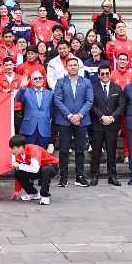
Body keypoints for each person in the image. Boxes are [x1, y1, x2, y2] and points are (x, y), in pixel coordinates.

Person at [53, 58, 93, 187]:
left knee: (80, 150)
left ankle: (79, 176)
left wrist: (79, 115)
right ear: (66, 67)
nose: (73, 67)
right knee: (64, 150)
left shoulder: (86, 82)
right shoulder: (60, 82)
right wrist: (70, 116)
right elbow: (57, 100)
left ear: (79, 67)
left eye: (75, 65)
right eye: (70, 65)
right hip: (65, 121)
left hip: (82, 120)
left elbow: (89, 101)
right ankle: (63, 177)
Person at [89, 64, 125, 186]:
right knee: (96, 151)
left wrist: (112, 117)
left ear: (110, 74)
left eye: (107, 73)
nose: (105, 76)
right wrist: (102, 116)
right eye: (102, 74)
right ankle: (94, 175)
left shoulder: (117, 88)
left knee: (111, 151)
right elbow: (91, 105)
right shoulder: (93, 88)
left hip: (112, 125)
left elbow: (121, 106)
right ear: (99, 75)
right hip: (97, 124)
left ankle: (112, 176)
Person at [9, 135, 58, 205]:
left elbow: (35, 169)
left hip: (52, 166)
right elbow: (20, 171)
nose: (11, 151)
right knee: (18, 172)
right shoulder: (18, 155)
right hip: (39, 169)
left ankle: (45, 196)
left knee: (46, 170)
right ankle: (33, 193)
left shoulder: (33, 150)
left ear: (21, 147)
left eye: (13, 148)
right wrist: (17, 191)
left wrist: (19, 166)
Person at [14, 72, 53, 149]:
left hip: (44, 128)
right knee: (28, 153)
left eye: (40, 78)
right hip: (29, 128)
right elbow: (17, 98)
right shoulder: (26, 91)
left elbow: (52, 111)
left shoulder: (50, 93)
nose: (38, 80)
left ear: (43, 80)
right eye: (35, 78)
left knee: (42, 153)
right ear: (31, 81)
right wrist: (23, 87)